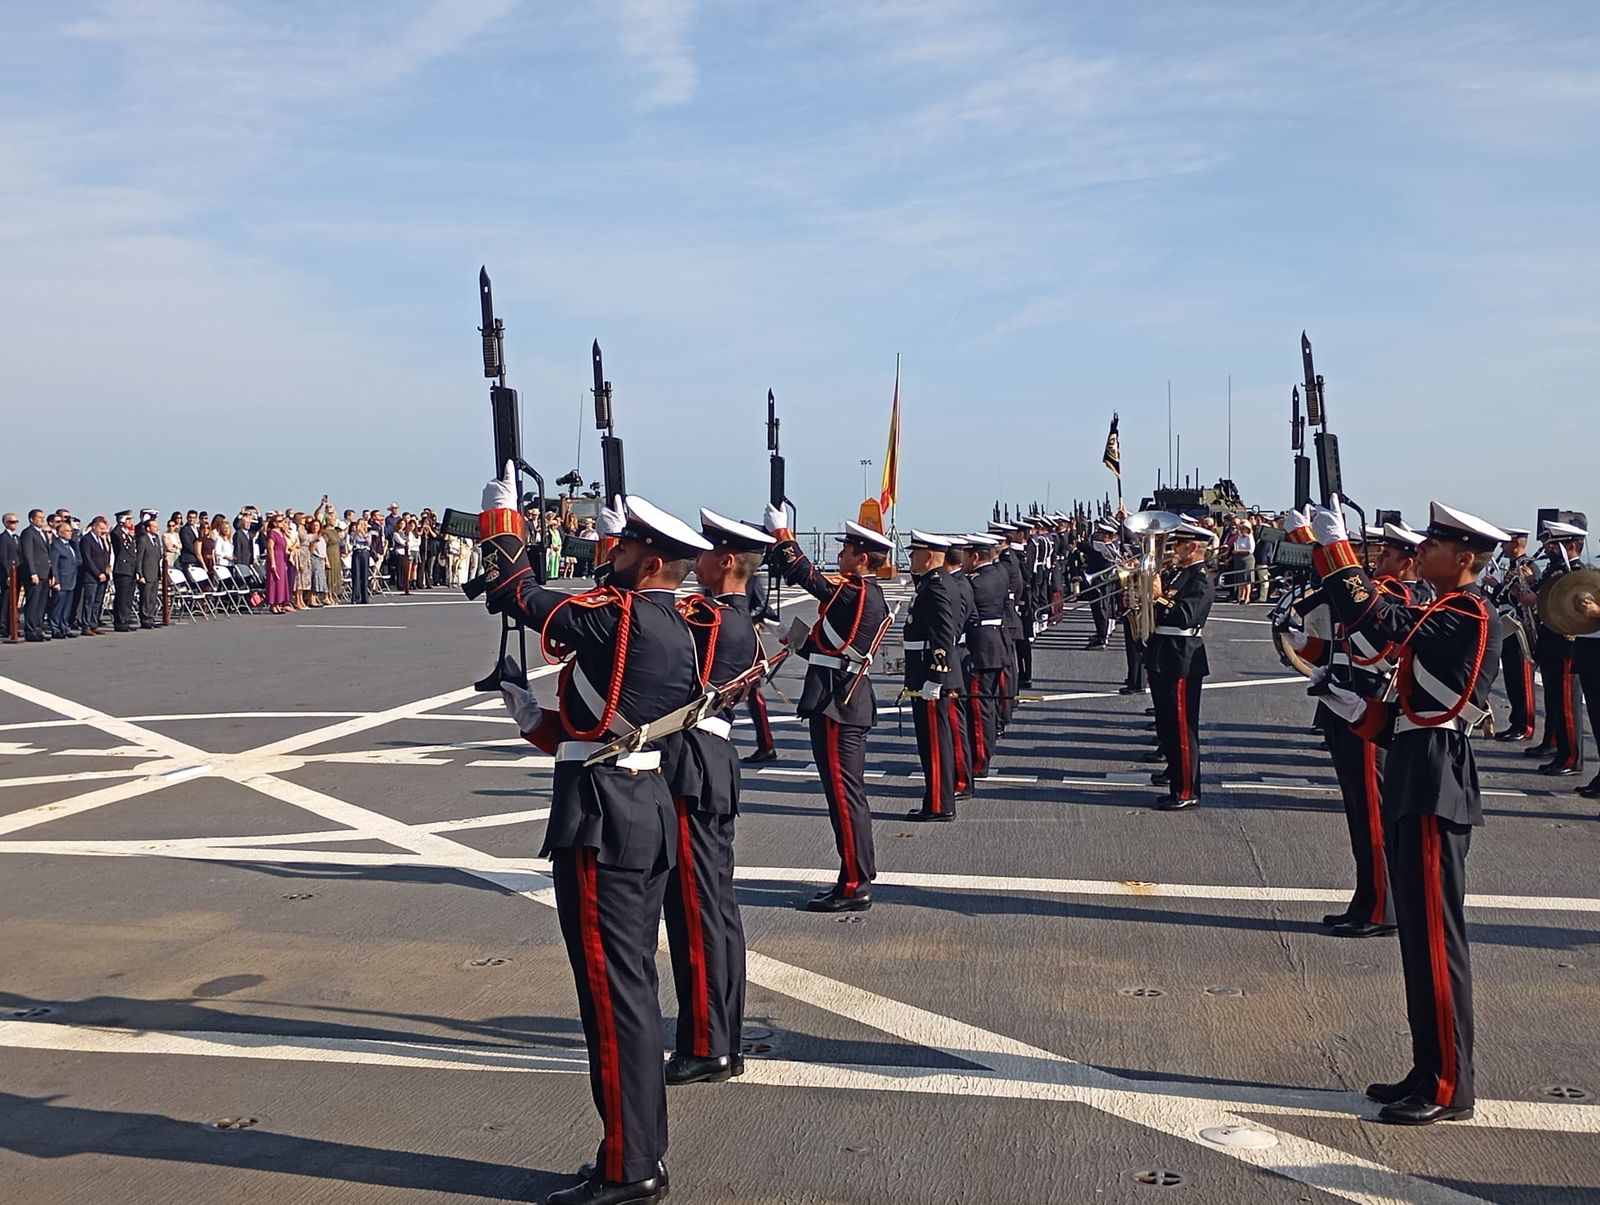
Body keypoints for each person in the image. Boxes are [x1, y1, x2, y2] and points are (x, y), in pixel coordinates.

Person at [485, 472, 707, 1205]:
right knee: (631, 990)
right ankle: (638, 1147)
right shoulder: (670, 623)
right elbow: (595, 724)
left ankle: (629, 1164)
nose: (609, 551)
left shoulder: (620, 618)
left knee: (612, 998)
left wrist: (503, 517)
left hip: (603, 818)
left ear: (648, 562)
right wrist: (528, 714)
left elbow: (520, 589)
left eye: (625, 545)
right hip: (636, 803)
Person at [1297, 498, 1504, 1126]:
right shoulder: (1445, 609)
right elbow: (1406, 712)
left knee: (1437, 941)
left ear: (1463, 557)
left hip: (1437, 776)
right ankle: (1428, 1067)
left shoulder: (1468, 611)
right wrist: (1352, 710)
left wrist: (1331, 550)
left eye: (1433, 547)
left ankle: (1447, 1084)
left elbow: (1378, 618)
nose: (1421, 555)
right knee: (1416, 936)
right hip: (1422, 765)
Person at [656, 509, 772, 1089]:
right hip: (712, 760)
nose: (692, 561)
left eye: (702, 552)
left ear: (726, 561)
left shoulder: (709, 619)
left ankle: (706, 1044)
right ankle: (721, 1033)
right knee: (716, 910)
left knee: (695, 912)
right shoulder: (735, 616)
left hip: (690, 763)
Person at [764, 512, 892, 912]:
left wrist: (783, 534)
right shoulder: (859, 594)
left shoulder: (856, 592)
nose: (841, 554)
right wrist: (794, 642)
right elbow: (831, 650)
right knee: (844, 796)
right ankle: (852, 876)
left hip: (839, 705)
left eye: (847, 549)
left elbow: (806, 576)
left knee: (844, 796)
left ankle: (855, 883)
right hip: (839, 698)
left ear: (863, 557)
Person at [1146, 521, 1216, 810]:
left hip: (1183, 657)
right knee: (1167, 724)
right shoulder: (1179, 575)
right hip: (1164, 653)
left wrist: (1158, 596)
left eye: (1179, 544)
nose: (1174, 548)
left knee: (1182, 727)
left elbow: (1185, 615)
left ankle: (1187, 790)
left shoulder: (1200, 579)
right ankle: (1175, 776)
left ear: (1194, 547)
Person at [902, 532, 962, 821]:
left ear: (928, 557)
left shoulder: (936, 586)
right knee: (932, 742)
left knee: (935, 744)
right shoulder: (934, 582)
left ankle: (939, 804)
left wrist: (936, 678)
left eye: (915, 553)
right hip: (927, 671)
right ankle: (936, 800)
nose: (911, 558)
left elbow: (943, 635)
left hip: (930, 674)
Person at [1528, 520, 1586, 776]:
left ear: (1571, 546)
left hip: (1565, 646)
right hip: (1550, 643)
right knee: (1553, 702)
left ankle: (1571, 758)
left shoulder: (1578, 575)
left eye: (1554, 545)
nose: (1548, 549)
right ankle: (1559, 748)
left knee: (1566, 706)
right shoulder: (1556, 572)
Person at [961, 533, 1008, 779]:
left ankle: (980, 760)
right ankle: (984, 753)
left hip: (980, 648)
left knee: (979, 710)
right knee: (986, 705)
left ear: (975, 556)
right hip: (995, 642)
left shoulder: (975, 582)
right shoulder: (998, 574)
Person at [1486, 527, 1537, 741]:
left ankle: (1525, 725)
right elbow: (1505, 597)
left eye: (1505, 543)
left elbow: (1527, 598)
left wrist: (1503, 585)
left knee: (1522, 678)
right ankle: (1516, 721)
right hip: (1508, 627)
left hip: (1520, 630)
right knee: (1512, 679)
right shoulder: (1515, 566)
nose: (1502, 547)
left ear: (1516, 544)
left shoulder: (1529, 566)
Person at [740, 572, 780, 764]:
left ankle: (766, 745)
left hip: (746, 641)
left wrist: (742, 618)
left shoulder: (751, 578)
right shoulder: (712, 573)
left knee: (753, 694)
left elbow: (762, 608)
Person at [19, 509, 52, 642]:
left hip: (44, 572)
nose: (42, 520)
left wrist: (51, 573)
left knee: (41, 603)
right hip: (35, 573)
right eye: (39, 518)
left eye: (43, 518)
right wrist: (33, 572)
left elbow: (47, 555)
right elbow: (28, 554)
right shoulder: (28, 533)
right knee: (33, 603)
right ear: (32, 519)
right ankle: (30, 630)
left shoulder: (42, 533)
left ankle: (38, 629)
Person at [77, 515, 112, 636]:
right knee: (89, 601)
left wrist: (107, 568)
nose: (103, 531)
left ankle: (94, 623)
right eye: (100, 528)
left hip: (104, 575)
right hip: (91, 576)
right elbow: (87, 559)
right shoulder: (87, 540)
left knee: (98, 601)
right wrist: (97, 573)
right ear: (93, 527)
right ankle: (85, 625)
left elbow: (105, 555)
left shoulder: (102, 539)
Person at [47, 519, 80, 639]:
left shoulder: (70, 545)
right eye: (67, 531)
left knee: (67, 606)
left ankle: (64, 627)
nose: (70, 533)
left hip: (71, 580)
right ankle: (55, 628)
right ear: (60, 533)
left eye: (70, 531)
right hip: (61, 580)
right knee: (58, 606)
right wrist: (56, 580)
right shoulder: (56, 546)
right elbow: (54, 564)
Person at [110, 511, 139, 632]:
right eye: (128, 519)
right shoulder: (118, 533)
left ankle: (125, 620)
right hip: (122, 569)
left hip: (130, 569)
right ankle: (120, 621)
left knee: (128, 597)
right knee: (121, 597)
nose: (131, 522)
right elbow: (115, 536)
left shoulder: (127, 535)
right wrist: (119, 523)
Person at [135, 513, 164, 629]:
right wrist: (140, 574)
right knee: (145, 598)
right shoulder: (143, 540)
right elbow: (139, 558)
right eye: (154, 527)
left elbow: (159, 556)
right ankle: (145, 619)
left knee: (153, 597)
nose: (157, 528)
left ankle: (151, 618)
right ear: (148, 528)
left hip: (155, 573)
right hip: (146, 573)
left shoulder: (156, 539)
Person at [265, 516, 291, 613]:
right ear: (275, 523)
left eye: (282, 521)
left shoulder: (282, 533)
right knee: (274, 581)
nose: (282, 523)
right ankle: (272, 604)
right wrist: (273, 563)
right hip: (275, 557)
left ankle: (278, 603)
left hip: (282, 558)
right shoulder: (272, 533)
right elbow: (270, 548)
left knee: (281, 581)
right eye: (279, 521)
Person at [0, 513, 19, 640]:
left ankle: (12, 626)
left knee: (14, 601)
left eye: (16, 521)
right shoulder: (3, 538)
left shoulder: (16, 537)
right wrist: (8, 574)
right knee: (6, 601)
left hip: (18, 573)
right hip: (8, 575)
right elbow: (3, 557)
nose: (15, 524)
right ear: (6, 523)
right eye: (12, 522)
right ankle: (3, 626)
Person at [1231, 517, 1257, 604]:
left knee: (1247, 579)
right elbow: (1236, 545)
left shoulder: (1250, 537)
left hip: (1247, 559)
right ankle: (1240, 596)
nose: (1242, 530)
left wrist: (1239, 551)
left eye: (1244, 528)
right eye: (1241, 528)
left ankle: (1247, 597)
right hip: (1239, 559)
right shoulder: (1239, 537)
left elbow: (1251, 550)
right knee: (1240, 579)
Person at [347, 519, 371, 604]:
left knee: (364, 575)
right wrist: (357, 532)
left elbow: (369, 543)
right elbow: (351, 542)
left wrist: (364, 534)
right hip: (357, 553)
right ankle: (356, 597)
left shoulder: (368, 534)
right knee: (356, 575)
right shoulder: (353, 534)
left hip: (365, 553)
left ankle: (364, 598)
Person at [307, 519, 329, 606]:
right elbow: (310, 550)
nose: (315, 527)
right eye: (314, 525)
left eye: (317, 525)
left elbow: (324, 550)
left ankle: (315, 599)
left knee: (319, 579)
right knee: (314, 579)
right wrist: (314, 542)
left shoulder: (322, 537)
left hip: (321, 559)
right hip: (314, 558)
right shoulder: (310, 536)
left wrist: (326, 560)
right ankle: (311, 600)